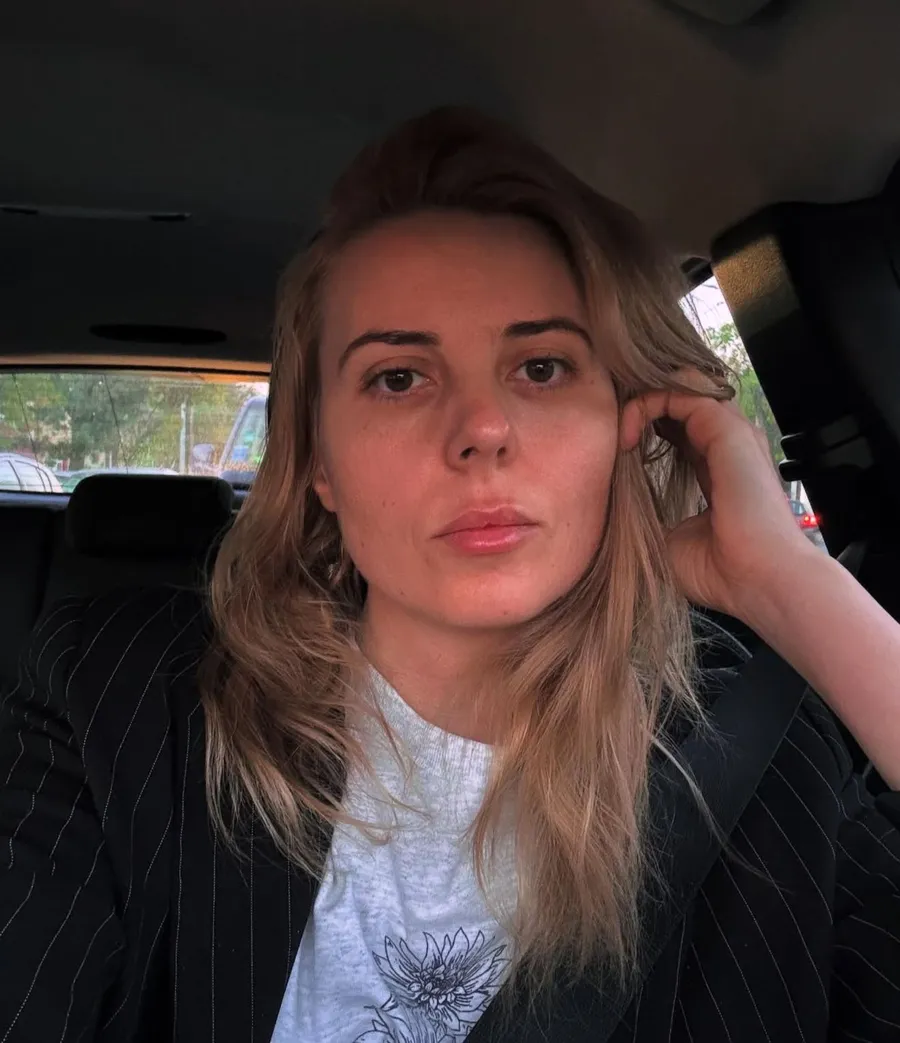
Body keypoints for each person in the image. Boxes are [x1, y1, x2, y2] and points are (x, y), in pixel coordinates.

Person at [1, 107, 898, 1043]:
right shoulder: (114, 703)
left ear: (629, 424)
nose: (482, 429)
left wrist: (789, 583)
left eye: (541, 366)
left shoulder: (763, 761)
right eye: (398, 377)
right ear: (320, 462)